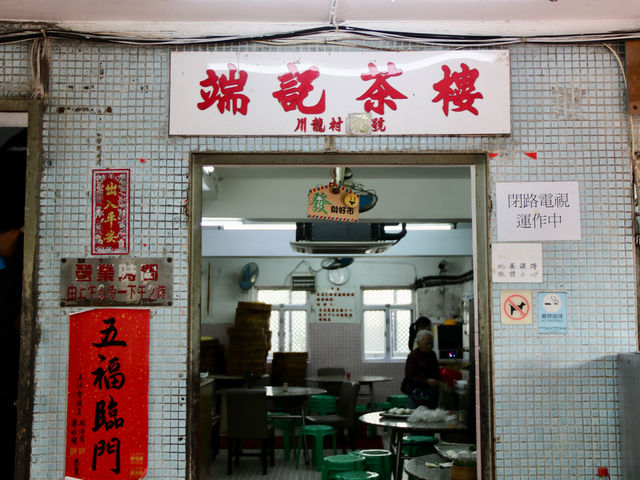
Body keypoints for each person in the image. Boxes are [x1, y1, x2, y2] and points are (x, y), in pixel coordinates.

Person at [403, 329, 440, 409]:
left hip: (431, 392)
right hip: (416, 392)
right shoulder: (413, 356)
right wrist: (426, 381)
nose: (430, 346)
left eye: (431, 343)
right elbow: (409, 376)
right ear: (418, 343)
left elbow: (436, 372)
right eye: (427, 344)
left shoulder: (432, 355)